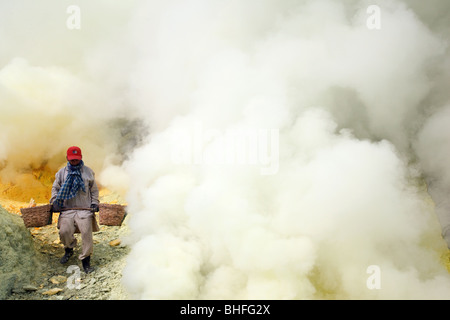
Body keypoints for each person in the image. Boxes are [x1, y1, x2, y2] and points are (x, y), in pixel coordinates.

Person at [50, 146, 100, 273]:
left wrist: (94, 203)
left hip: (84, 210)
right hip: (67, 209)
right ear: (67, 158)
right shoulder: (61, 173)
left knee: (86, 234)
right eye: (72, 160)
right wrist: (54, 200)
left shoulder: (88, 172)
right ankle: (69, 249)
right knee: (64, 231)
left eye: (76, 160)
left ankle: (86, 260)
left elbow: (94, 190)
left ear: (81, 158)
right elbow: (55, 188)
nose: (74, 162)